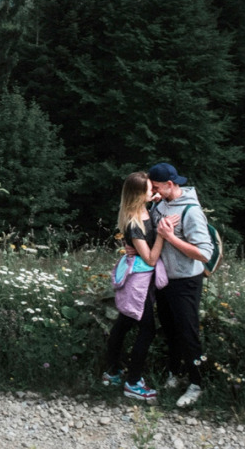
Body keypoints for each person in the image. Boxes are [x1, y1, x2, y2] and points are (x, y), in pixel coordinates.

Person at [148, 161, 215, 409]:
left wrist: (171, 238)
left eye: (156, 186)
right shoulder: (161, 203)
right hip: (164, 279)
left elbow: (204, 254)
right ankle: (174, 373)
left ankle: (197, 383)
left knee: (188, 332)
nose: (153, 190)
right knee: (170, 328)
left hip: (186, 280)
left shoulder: (191, 212)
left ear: (170, 184)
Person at [103, 171, 165, 402]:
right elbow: (150, 258)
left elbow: (153, 202)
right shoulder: (133, 223)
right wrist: (163, 235)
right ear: (139, 195)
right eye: (151, 189)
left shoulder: (144, 209)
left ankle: (112, 371)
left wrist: (156, 200)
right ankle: (133, 383)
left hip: (143, 280)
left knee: (124, 322)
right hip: (137, 282)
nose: (155, 191)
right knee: (146, 329)